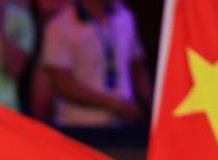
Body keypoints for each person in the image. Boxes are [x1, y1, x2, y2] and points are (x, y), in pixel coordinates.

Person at [41, 0, 152, 128]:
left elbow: (138, 69)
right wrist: (115, 105)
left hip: (124, 125)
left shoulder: (125, 16)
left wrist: (154, 108)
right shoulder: (59, 25)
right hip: (80, 126)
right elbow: (62, 84)